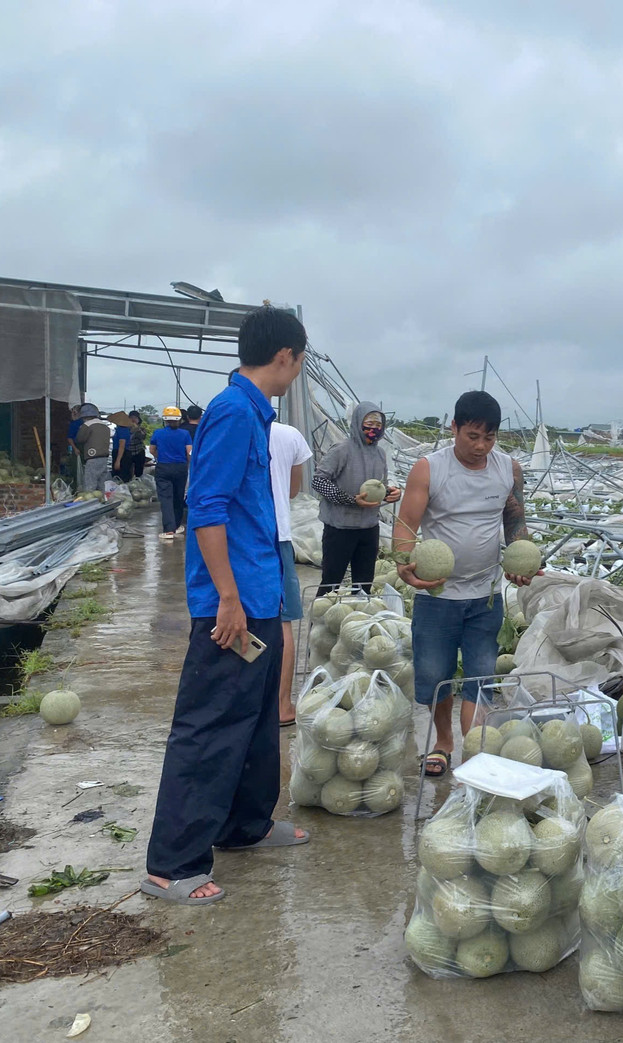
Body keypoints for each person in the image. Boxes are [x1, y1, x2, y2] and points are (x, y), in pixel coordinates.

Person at [141, 305, 310, 906]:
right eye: (299, 360)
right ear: (285, 356)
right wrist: (228, 600)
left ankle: (245, 825)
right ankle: (172, 864)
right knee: (210, 727)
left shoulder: (255, 414)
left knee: (257, 720)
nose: (298, 369)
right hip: (232, 604)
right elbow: (206, 508)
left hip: (260, 592)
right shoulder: (234, 411)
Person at [394, 391, 533, 778]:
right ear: (453, 427)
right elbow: (405, 524)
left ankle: (474, 752)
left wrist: (522, 557)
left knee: (480, 677)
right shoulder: (429, 469)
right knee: (435, 676)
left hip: (485, 596)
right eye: (472, 436)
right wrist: (404, 564)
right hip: (437, 595)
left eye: (489, 437)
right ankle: (443, 742)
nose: (481, 446)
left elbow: (515, 521)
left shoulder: (508, 469)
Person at [310, 401, 401, 595]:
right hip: (340, 528)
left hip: (369, 528)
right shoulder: (341, 450)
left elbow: (378, 486)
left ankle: (358, 613)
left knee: (363, 585)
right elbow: (318, 481)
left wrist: (390, 492)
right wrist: (350, 499)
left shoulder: (380, 454)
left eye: (378, 425)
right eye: (369, 424)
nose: (374, 429)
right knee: (331, 583)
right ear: (358, 423)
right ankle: (319, 615)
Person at [269, 419, 313, 726]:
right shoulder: (290, 435)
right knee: (282, 620)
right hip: (277, 534)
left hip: (233, 536)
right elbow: (293, 490)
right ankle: (282, 705)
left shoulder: (228, 423)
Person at [150, 406, 192, 539]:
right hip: (180, 468)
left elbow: (152, 450)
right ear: (179, 419)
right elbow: (189, 452)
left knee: (166, 498)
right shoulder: (185, 434)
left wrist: (160, 457)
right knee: (178, 497)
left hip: (163, 467)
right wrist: (188, 464)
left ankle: (169, 530)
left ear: (165, 420)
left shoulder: (158, 433)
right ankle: (177, 525)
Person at [74, 404, 112, 493]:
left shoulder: (87, 425)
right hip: (104, 457)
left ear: (84, 416)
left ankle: (91, 500)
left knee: (90, 483)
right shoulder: (105, 426)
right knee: (102, 483)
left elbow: (79, 439)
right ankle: (103, 498)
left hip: (92, 457)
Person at [126, 410, 149, 480]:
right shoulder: (125, 428)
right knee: (127, 471)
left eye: (135, 418)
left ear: (138, 419)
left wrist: (137, 429)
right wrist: (131, 430)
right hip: (128, 451)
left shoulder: (142, 429)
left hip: (139, 451)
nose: (133, 419)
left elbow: (143, 437)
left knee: (139, 472)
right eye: (131, 417)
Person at [110, 414, 131, 482]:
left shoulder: (123, 430)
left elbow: (122, 446)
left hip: (122, 454)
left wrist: (118, 461)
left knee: (120, 476)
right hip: (120, 452)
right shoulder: (119, 429)